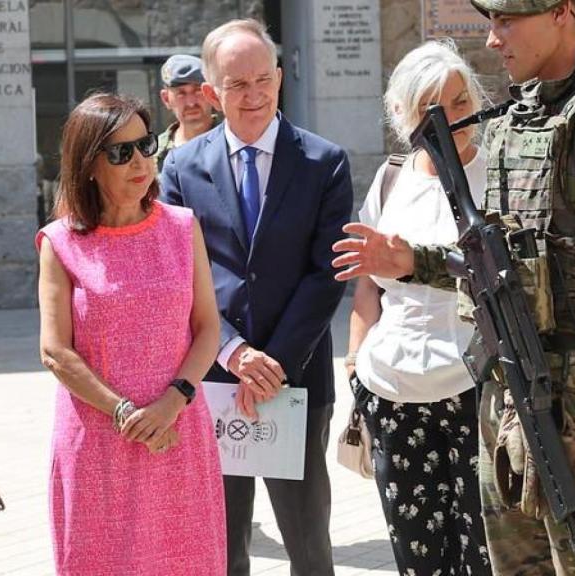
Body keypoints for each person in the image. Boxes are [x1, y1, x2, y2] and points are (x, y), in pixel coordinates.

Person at [333, 0, 575, 573]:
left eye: (507, 21)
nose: (493, 40)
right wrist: (415, 261)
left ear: (564, 13)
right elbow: (506, 257)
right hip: (511, 399)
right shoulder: (521, 118)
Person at [161, 19, 353, 576]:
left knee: (308, 544)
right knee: (220, 546)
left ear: (280, 78)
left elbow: (327, 274)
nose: (253, 95)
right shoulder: (180, 167)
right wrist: (235, 353)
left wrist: (273, 364)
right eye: (237, 84)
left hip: (295, 379)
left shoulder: (324, 162)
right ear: (211, 93)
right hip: (213, 381)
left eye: (262, 80)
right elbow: (180, 278)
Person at [37, 92, 226, 575]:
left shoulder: (183, 228)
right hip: (98, 444)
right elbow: (55, 351)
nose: (140, 162)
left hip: (178, 432)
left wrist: (172, 402)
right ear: (90, 164)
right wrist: (123, 412)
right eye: (121, 153)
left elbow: (207, 328)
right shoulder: (61, 242)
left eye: (145, 145)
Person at [344, 39, 491, 576]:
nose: (449, 119)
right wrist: (355, 362)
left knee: (483, 551)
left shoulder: (498, 175)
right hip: (392, 391)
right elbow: (368, 287)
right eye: (430, 108)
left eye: (458, 102)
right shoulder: (391, 179)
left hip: (475, 390)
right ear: (402, 116)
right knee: (417, 556)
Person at [156, 54, 217, 170]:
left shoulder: (233, 142)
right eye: (181, 93)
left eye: (198, 91)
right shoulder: (153, 154)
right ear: (166, 99)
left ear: (211, 93)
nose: (191, 103)